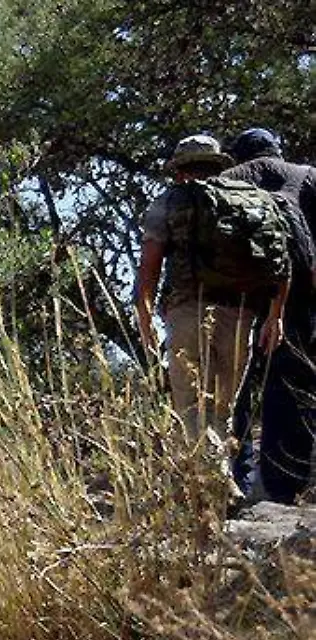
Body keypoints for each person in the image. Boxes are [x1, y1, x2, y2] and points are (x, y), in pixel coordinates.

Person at [135, 134, 292, 490]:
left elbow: (149, 269)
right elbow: (280, 262)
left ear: (179, 171)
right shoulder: (251, 201)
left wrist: (145, 318)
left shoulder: (169, 201)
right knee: (222, 408)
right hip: (240, 316)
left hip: (187, 311)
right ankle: (216, 487)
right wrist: (275, 316)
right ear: (218, 164)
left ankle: (214, 486)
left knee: (190, 406)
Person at [225, 127, 316, 504]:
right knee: (291, 389)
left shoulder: (224, 181)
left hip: (234, 299)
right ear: (277, 149)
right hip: (297, 297)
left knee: (234, 392)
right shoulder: (307, 175)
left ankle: (234, 485)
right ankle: (283, 490)